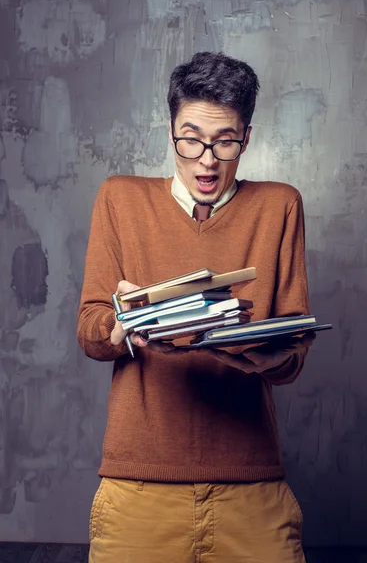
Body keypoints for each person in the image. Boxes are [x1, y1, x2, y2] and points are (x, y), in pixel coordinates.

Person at [77, 51, 314, 563]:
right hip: (137, 483)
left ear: (246, 138)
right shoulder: (120, 199)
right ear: (170, 133)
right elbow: (90, 328)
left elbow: (295, 350)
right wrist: (121, 322)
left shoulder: (280, 206)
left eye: (225, 140)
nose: (207, 158)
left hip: (250, 483)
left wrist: (262, 352)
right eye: (191, 138)